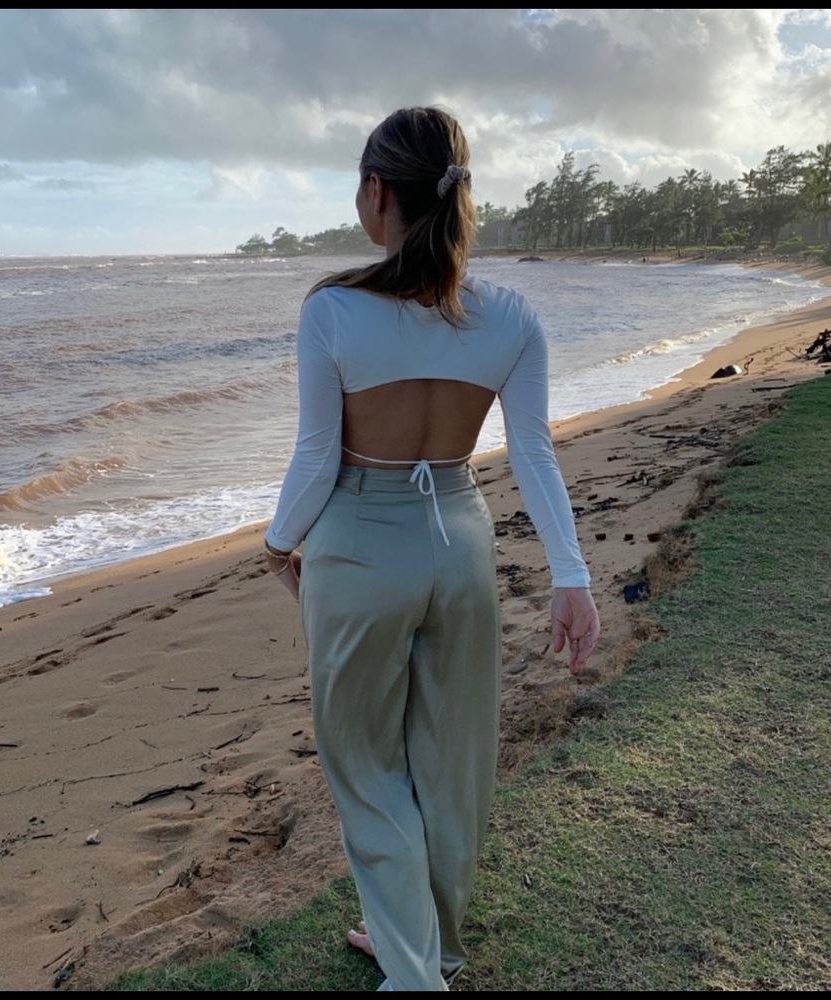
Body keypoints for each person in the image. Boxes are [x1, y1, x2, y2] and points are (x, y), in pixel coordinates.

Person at [263, 107, 599, 991]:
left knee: (366, 764)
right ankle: (424, 942)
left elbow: (314, 458)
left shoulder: (333, 310)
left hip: (358, 540)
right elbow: (532, 453)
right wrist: (572, 576)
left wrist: (277, 543)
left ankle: (414, 976)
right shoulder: (511, 316)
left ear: (377, 191)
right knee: (453, 761)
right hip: (459, 534)